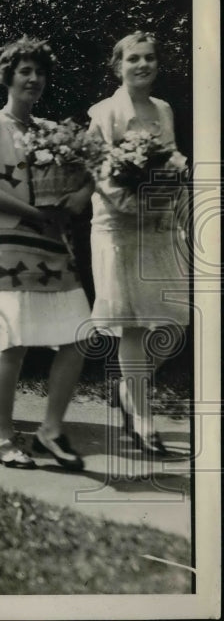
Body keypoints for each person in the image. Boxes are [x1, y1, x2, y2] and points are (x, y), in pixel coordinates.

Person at [0, 37, 92, 470]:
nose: (34, 79)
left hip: (53, 248)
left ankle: (49, 431)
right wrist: (33, 214)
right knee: (14, 343)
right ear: (9, 76)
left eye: (40, 72)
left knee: (79, 335)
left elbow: (87, 170)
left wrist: (82, 194)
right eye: (25, 71)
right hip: (8, 248)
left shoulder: (49, 130)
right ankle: (2, 437)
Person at [88, 32, 189, 456]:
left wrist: (175, 201)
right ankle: (142, 416)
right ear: (118, 66)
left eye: (149, 58)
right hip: (118, 225)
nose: (142, 65)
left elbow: (172, 162)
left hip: (160, 223)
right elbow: (95, 166)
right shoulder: (105, 112)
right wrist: (129, 203)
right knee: (130, 320)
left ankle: (131, 390)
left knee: (176, 317)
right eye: (133, 59)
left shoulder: (163, 111)